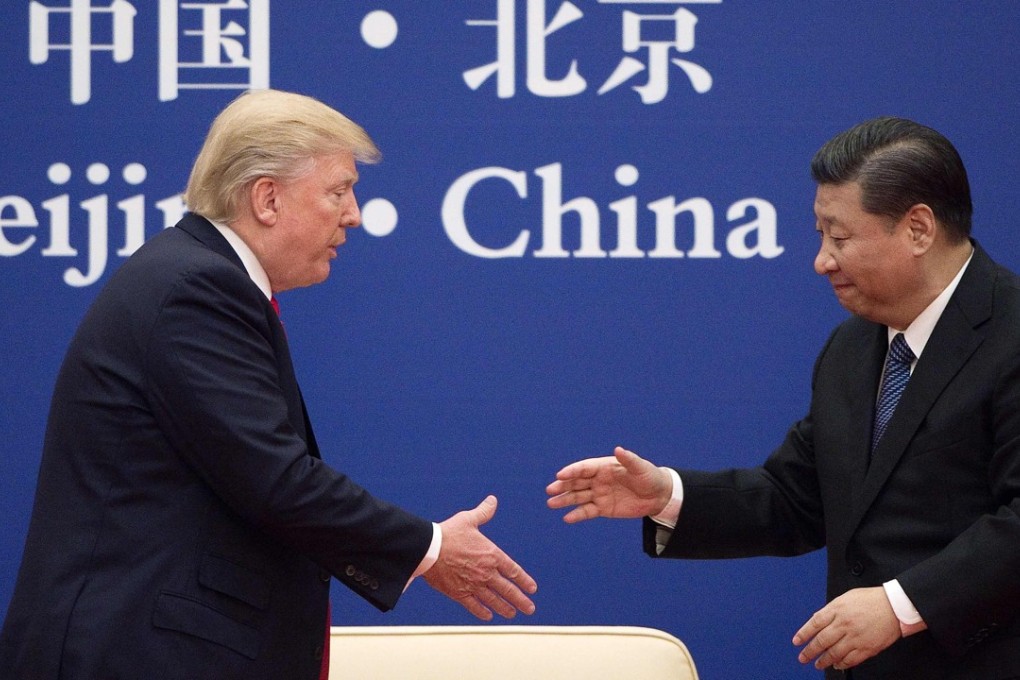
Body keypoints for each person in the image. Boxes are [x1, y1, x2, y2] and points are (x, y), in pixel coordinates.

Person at [0, 89, 537, 680]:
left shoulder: (195, 275)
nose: (354, 213)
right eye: (338, 191)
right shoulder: (195, 289)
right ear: (267, 198)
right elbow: (276, 481)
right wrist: (429, 548)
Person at [546, 117, 1020, 679]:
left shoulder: (1009, 334)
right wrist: (665, 496)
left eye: (839, 238)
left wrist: (901, 606)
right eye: (819, 235)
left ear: (918, 228)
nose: (822, 260)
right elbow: (795, 498)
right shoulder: (852, 347)